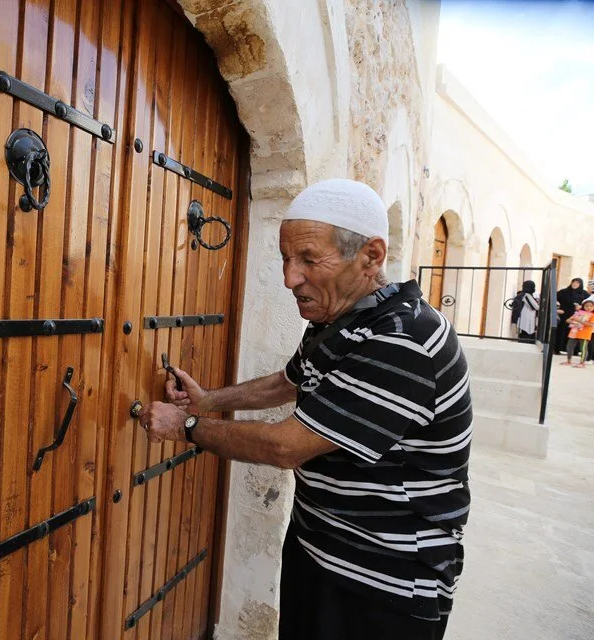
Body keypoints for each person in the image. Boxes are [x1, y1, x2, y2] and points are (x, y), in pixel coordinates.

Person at [138, 179, 470, 640]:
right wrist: (210, 398)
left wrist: (186, 425)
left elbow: (285, 447)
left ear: (371, 256)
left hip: (385, 581)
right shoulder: (343, 319)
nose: (290, 278)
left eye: (309, 260)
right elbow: (288, 381)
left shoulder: (402, 340)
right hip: (320, 548)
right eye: (285, 259)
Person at [555, 278, 588, 354]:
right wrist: (556, 309)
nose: (575, 284)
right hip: (564, 315)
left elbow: (589, 304)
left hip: (577, 317)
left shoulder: (583, 293)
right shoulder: (563, 292)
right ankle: (558, 348)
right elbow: (552, 299)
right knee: (561, 332)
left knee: (574, 333)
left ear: (580, 284)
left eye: (577, 283)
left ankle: (574, 351)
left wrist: (581, 307)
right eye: (574, 282)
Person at [561, 299, 594, 368]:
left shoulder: (592, 315)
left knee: (583, 348)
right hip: (574, 332)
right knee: (569, 346)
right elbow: (568, 320)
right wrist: (573, 322)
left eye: (591, 306)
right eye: (587, 306)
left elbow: (590, 325)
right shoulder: (579, 312)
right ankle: (569, 361)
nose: (589, 307)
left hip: (584, 333)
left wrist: (578, 320)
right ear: (583, 306)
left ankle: (582, 363)